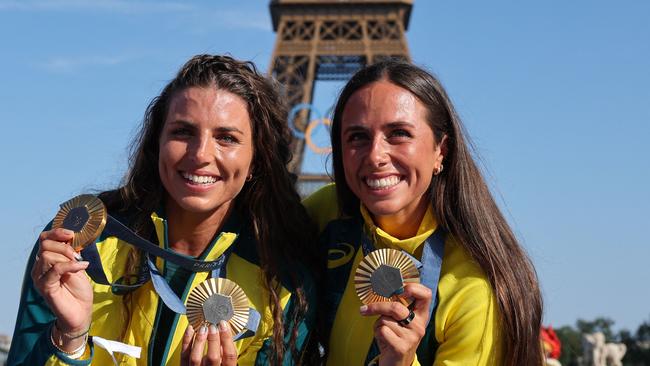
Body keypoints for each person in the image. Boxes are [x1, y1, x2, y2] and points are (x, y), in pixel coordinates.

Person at [9, 54, 317, 365]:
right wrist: (70, 337)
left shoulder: (284, 281)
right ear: (157, 144)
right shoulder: (82, 243)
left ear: (257, 161)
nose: (200, 155)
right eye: (183, 132)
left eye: (226, 138)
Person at [303, 60, 543, 365]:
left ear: (440, 150)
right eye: (357, 137)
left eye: (399, 133)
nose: (376, 155)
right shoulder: (323, 212)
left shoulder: (474, 287)